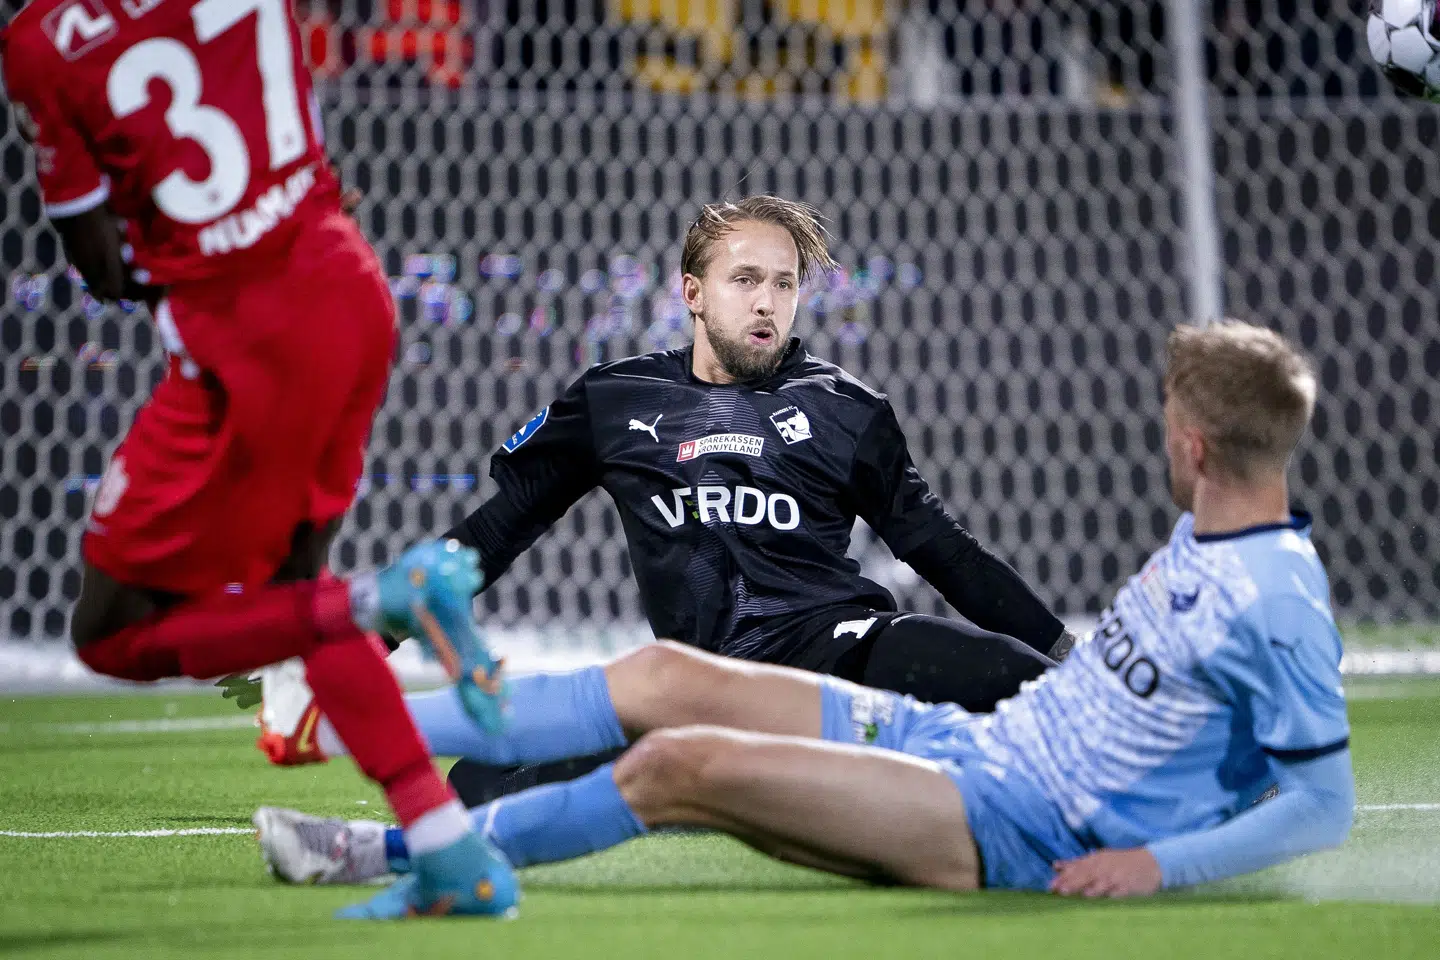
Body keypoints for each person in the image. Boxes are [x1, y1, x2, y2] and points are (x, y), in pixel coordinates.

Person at [257, 319, 1355, 909]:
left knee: (677, 765)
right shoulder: (1207, 538)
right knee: (662, 681)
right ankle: (332, 705)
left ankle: (381, 853)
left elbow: (1320, 803)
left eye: (1171, 425)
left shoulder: (1274, 598)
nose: (1163, 438)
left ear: (1197, 449)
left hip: (1019, 824)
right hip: (977, 749)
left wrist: (1160, 864)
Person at [251, 195, 1076, 805]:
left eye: (784, 285)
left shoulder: (845, 407)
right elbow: (492, 537)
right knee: (484, 787)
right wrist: (364, 646)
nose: (766, 303)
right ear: (692, 292)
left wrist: (1067, 655)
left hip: (839, 654)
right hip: (697, 689)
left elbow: (945, 551)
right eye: (745, 279)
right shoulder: (614, 402)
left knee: (1008, 675)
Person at [2, 0, 512, 918]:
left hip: (246, 346)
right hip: (347, 285)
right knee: (295, 596)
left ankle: (387, 599)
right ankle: (452, 857)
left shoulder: (39, 43)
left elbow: (103, 267)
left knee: (109, 630)